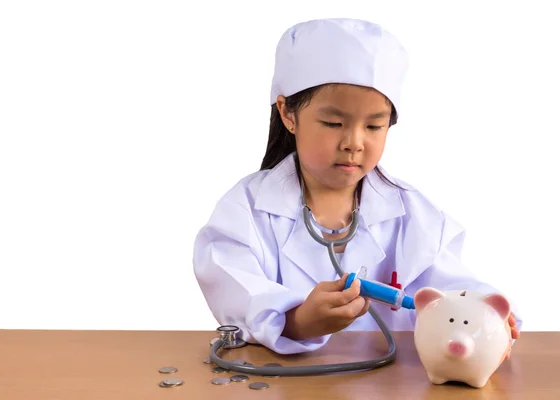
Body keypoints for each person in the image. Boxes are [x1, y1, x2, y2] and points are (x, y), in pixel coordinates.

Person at [192, 18, 522, 355]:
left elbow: (451, 286)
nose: (354, 142)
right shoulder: (245, 210)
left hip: (392, 384)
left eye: (374, 125)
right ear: (288, 114)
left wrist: (485, 314)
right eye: (333, 123)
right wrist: (297, 321)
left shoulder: (412, 213)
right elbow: (233, 286)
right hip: (283, 383)